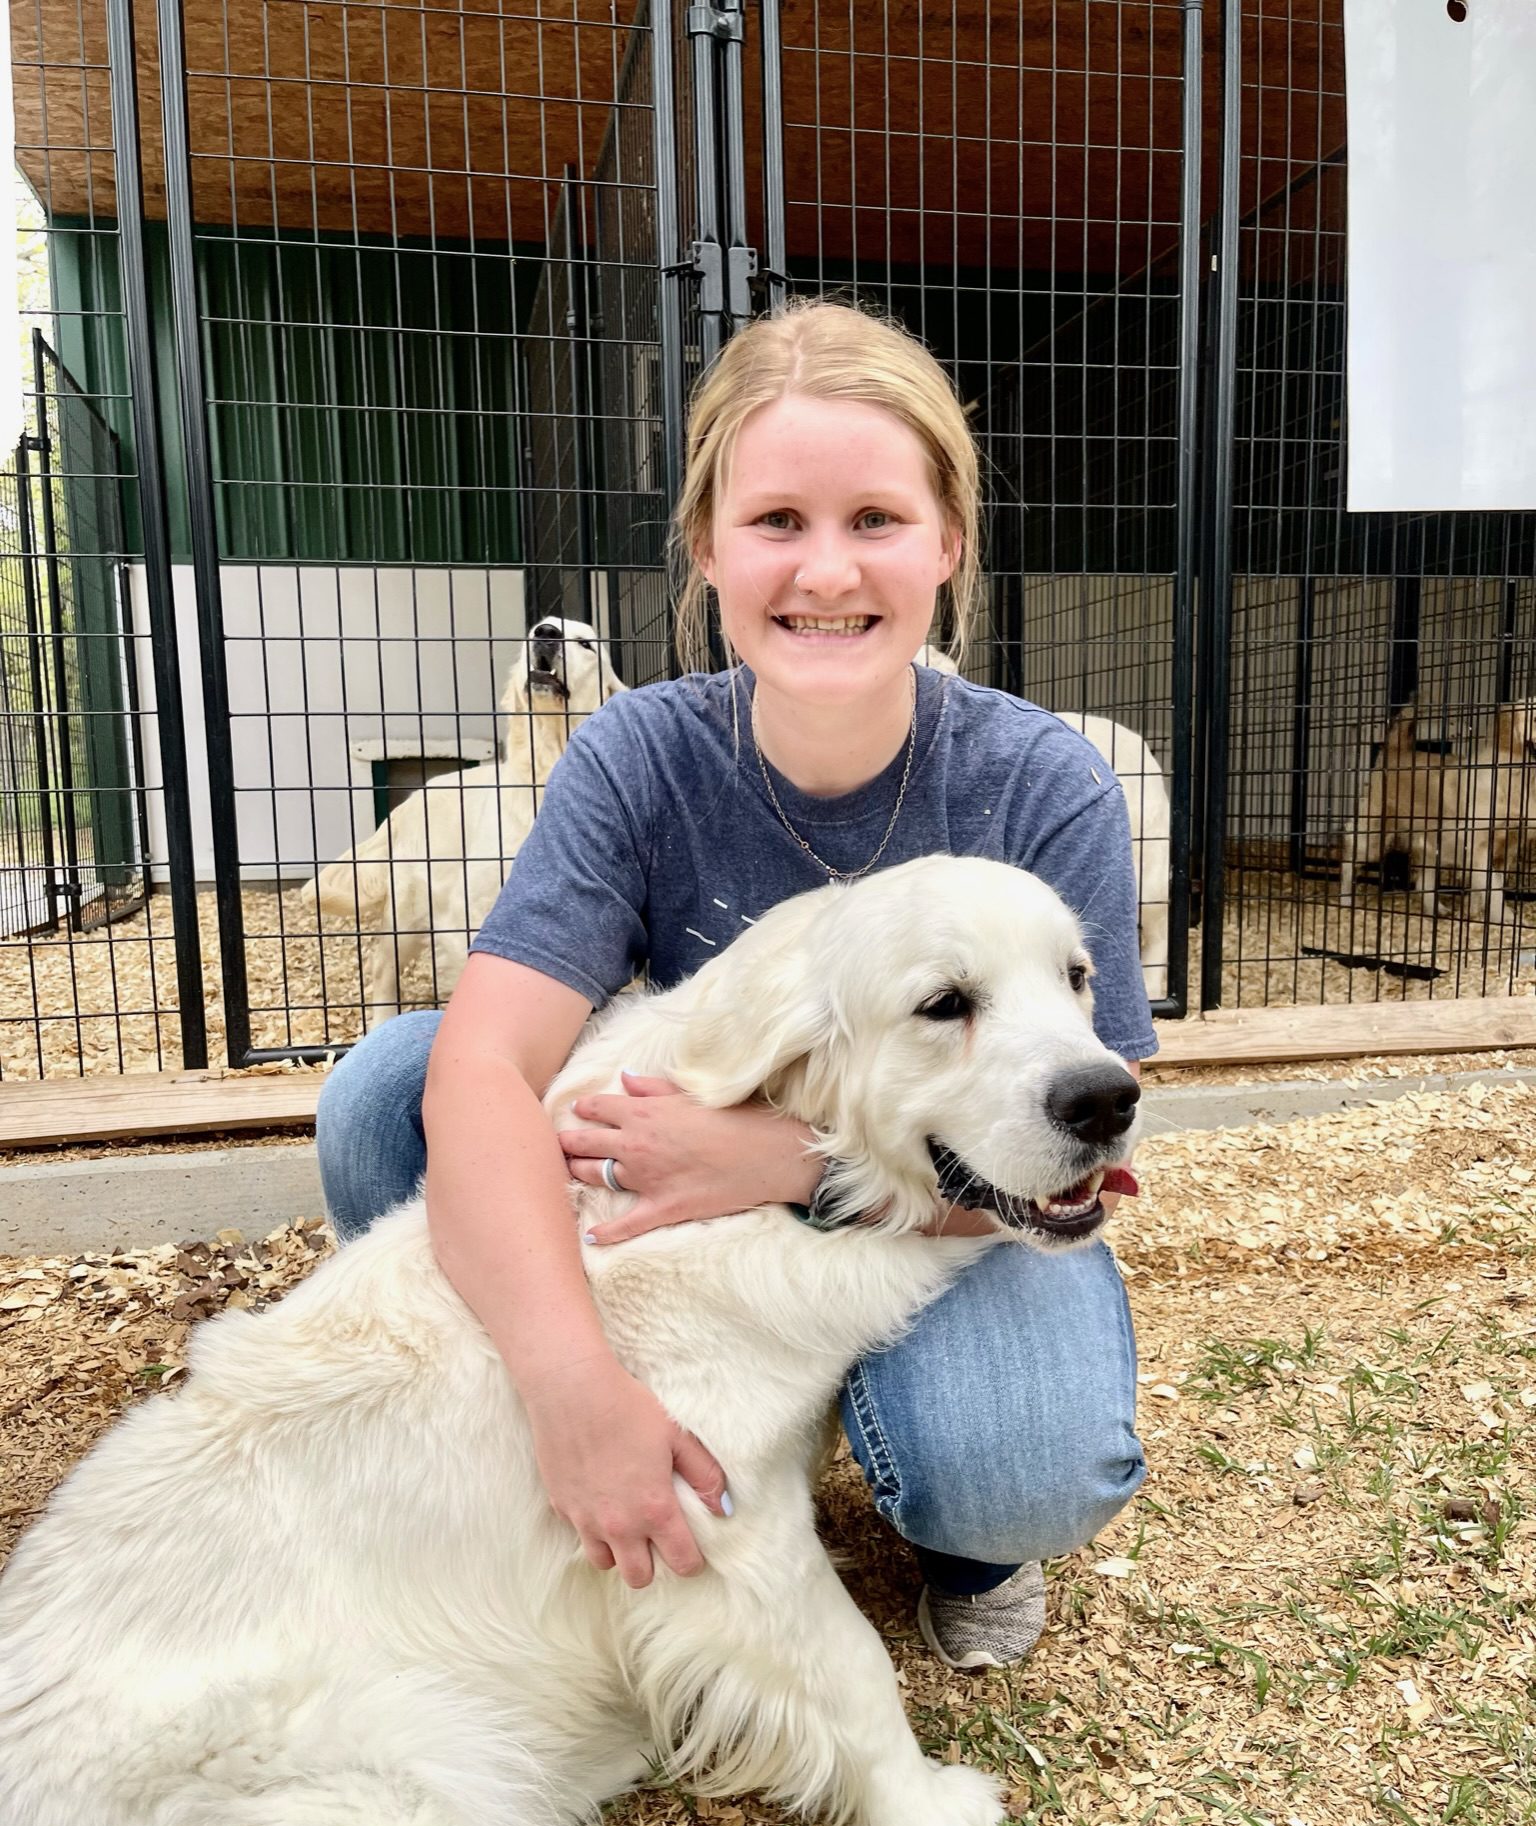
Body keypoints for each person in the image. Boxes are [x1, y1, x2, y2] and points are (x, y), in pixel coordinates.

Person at [316, 300, 1157, 1672]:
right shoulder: (639, 751)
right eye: (778, 521)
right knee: (394, 1093)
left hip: (933, 1211)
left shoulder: (1036, 781)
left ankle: (962, 1535)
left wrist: (773, 1163)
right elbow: (482, 1069)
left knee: (1020, 1462)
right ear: (707, 548)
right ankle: (499, 1422)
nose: (827, 570)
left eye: (877, 518)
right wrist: (568, 1382)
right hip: (704, 1239)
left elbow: (1082, 1137)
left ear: (948, 542)